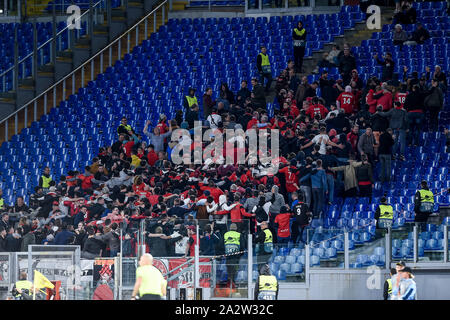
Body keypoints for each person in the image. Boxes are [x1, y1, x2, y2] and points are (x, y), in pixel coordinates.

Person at [223, 223, 243, 288]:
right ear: (236, 228)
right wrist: (240, 255)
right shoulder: (239, 235)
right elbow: (243, 245)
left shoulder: (226, 234)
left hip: (228, 256)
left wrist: (224, 253)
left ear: (230, 228)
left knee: (229, 269)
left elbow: (221, 245)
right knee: (235, 269)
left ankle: (230, 282)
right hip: (236, 257)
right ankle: (233, 282)